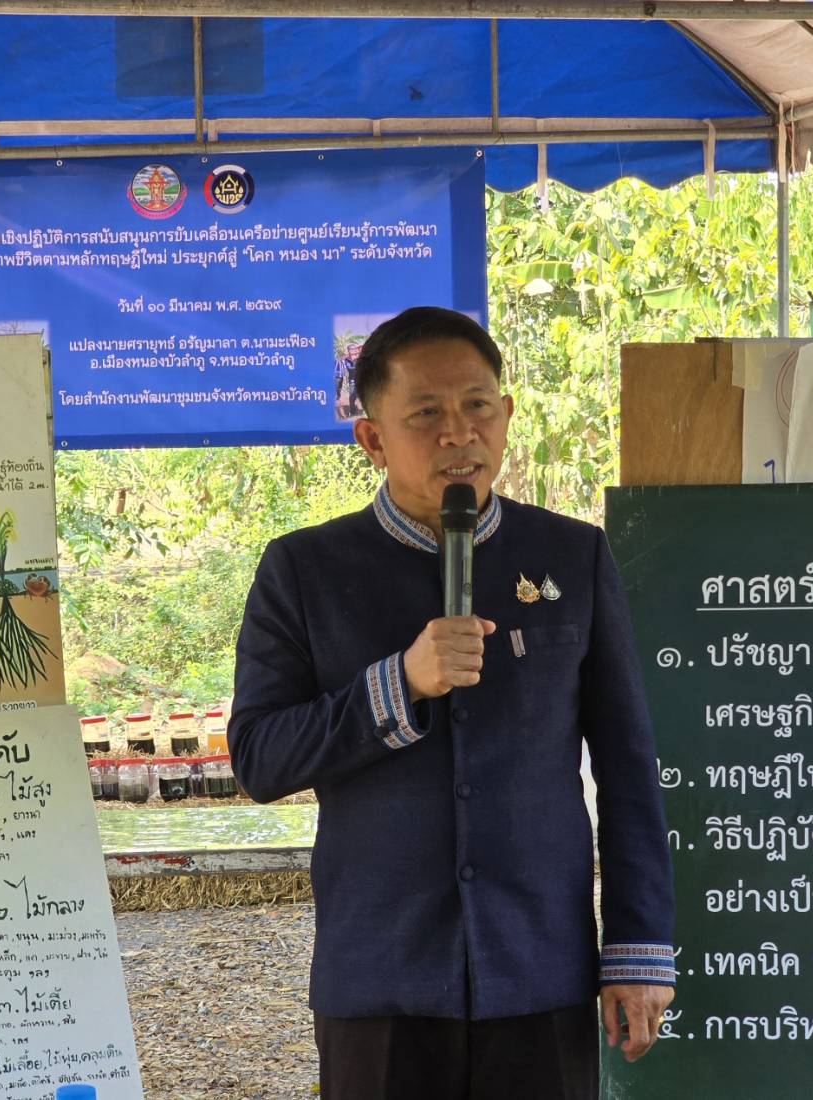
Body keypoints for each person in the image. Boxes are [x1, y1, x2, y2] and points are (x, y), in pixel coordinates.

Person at [229, 306, 674, 1100]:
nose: (458, 434)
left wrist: (638, 948)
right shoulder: (304, 571)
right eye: (426, 414)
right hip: (382, 976)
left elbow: (628, 765)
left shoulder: (572, 554)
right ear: (372, 440)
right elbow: (260, 758)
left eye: (477, 406)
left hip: (539, 968)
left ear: (505, 417)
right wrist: (399, 684)